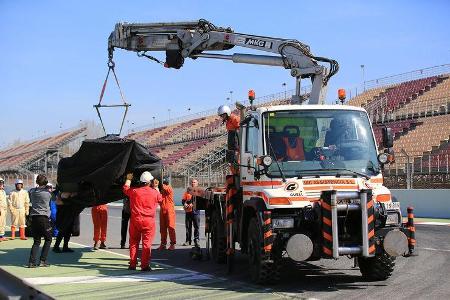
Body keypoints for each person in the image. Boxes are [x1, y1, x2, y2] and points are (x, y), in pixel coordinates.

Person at [122, 171, 162, 271]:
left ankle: (132, 264)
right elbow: (160, 199)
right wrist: (156, 187)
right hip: (148, 221)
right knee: (146, 244)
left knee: (134, 242)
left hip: (136, 220)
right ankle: (144, 265)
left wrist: (128, 179)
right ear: (150, 182)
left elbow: (125, 189)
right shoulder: (154, 192)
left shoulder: (135, 191)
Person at [27, 174, 52, 268]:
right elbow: (52, 196)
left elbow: (32, 190)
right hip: (43, 218)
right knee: (48, 239)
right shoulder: (48, 193)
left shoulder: (32, 191)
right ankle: (43, 260)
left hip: (33, 218)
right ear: (45, 183)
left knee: (36, 241)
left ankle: (31, 262)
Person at [157, 177, 176, 250]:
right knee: (162, 228)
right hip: (162, 209)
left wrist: (158, 184)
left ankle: (172, 244)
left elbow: (164, 188)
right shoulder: (161, 189)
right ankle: (163, 243)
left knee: (171, 227)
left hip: (169, 210)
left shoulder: (169, 188)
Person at [182, 178, 200, 247]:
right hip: (188, 212)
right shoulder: (187, 191)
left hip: (196, 212)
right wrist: (184, 204)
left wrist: (193, 204)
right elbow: (183, 199)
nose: (193, 183)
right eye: (192, 182)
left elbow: (200, 200)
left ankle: (196, 240)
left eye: (195, 182)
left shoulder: (199, 191)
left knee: (196, 227)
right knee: (188, 227)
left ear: (197, 184)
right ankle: (188, 240)